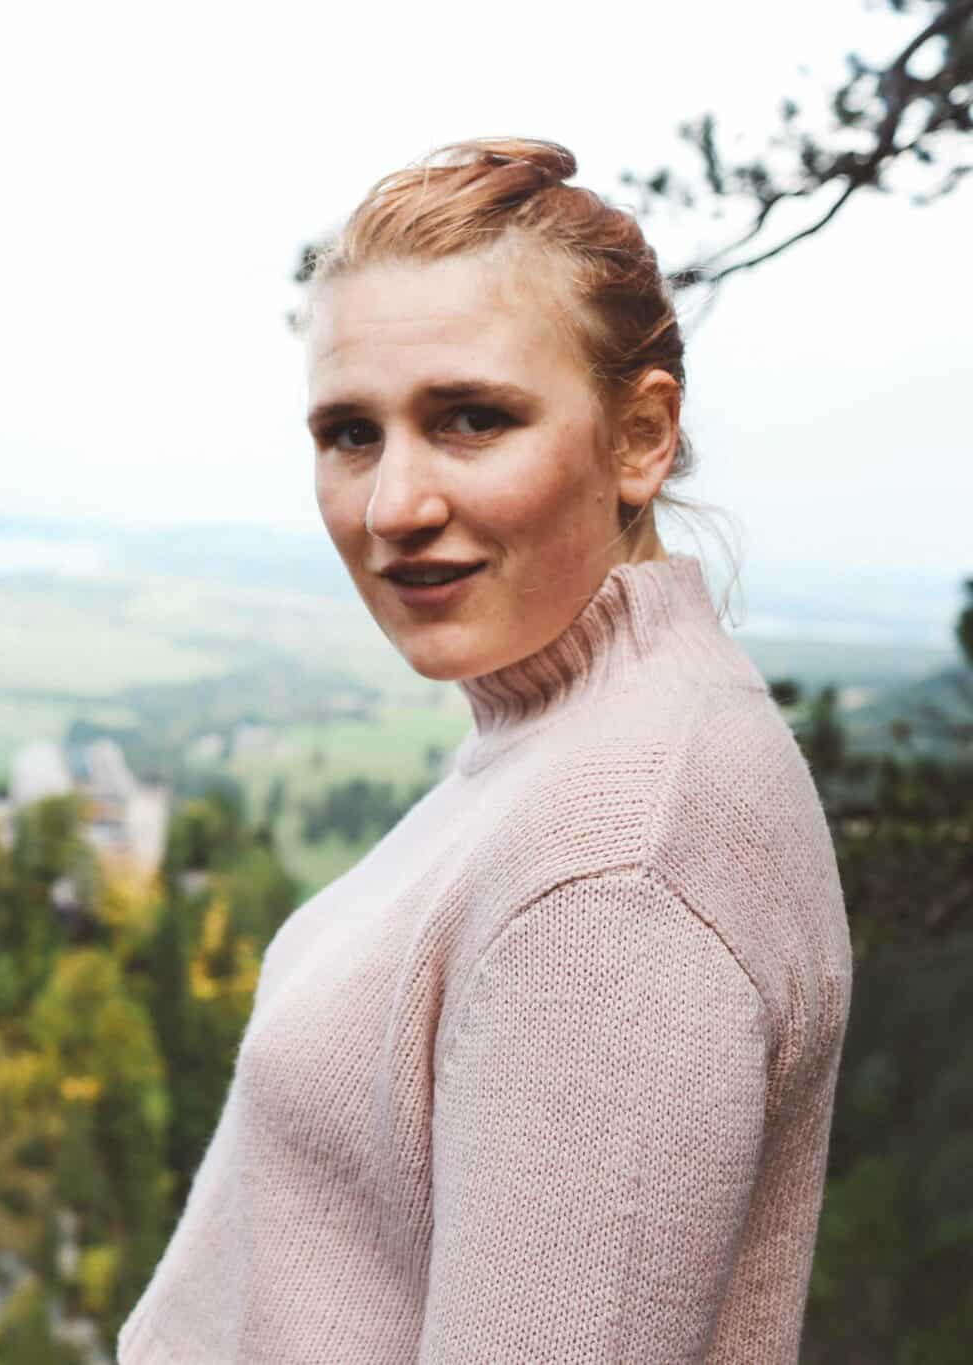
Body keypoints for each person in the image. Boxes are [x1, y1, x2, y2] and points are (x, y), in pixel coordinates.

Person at [115, 139, 853, 1363]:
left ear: (639, 438)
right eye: (350, 433)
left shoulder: (619, 872)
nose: (391, 505)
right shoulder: (555, 740)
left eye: (470, 419)